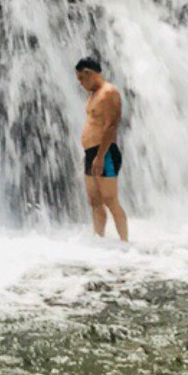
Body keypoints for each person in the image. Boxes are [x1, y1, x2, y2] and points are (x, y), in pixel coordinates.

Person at [75, 56, 128, 242]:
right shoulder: (94, 94)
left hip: (104, 153)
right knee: (94, 201)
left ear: (89, 73)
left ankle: (125, 243)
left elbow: (111, 126)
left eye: (81, 79)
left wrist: (100, 156)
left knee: (110, 200)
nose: (81, 84)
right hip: (92, 153)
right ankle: (99, 241)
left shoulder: (109, 93)